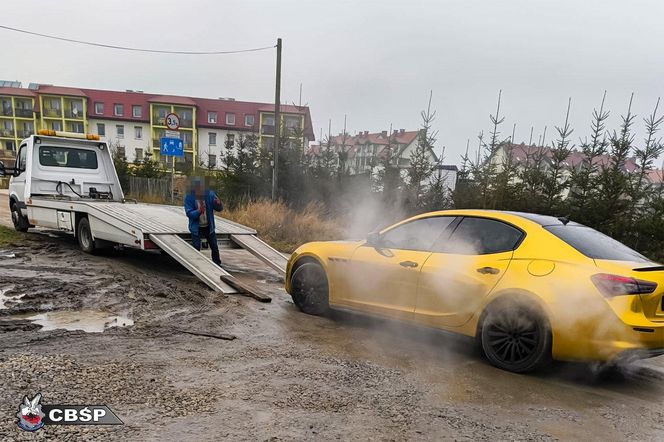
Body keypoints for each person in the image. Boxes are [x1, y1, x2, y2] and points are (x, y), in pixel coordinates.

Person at [184, 178, 223, 266]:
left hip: (209, 227)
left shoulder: (210, 194)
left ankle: (217, 265)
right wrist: (198, 211)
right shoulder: (189, 197)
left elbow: (219, 209)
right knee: (196, 248)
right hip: (196, 228)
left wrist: (218, 204)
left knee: (214, 247)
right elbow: (189, 213)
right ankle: (195, 266)